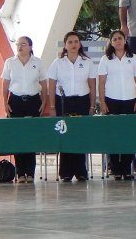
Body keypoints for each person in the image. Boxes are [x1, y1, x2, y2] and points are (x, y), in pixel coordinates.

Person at [47, 31, 96, 182]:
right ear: (65, 45)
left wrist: (93, 105)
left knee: (80, 136)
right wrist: (53, 107)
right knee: (66, 136)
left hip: (82, 102)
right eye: (70, 42)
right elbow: (52, 84)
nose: (73, 44)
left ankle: (81, 171)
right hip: (64, 102)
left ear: (80, 44)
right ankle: (66, 172)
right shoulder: (58, 63)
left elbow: (92, 85)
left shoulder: (87, 62)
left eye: (76, 41)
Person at [97, 30, 136, 180]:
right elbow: (102, 82)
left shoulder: (134, 58)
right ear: (111, 42)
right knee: (113, 134)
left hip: (130, 101)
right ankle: (115, 168)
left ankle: (126, 167)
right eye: (115, 39)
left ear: (125, 40)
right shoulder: (106, 59)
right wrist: (102, 102)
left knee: (128, 134)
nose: (118, 41)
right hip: (111, 101)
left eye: (120, 38)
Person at [1, 36, 49, 183]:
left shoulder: (38, 62)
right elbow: (5, 84)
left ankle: (30, 172)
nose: (20, 47)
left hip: (33, 101)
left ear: (30, 46)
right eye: (18, 45)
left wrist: (44, 101)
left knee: (31, 136)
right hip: (15, 101)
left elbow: (44, 84)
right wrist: (5, 102)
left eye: (23, 44)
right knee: (18, 136)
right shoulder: (10, 62)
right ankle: (20, 173)